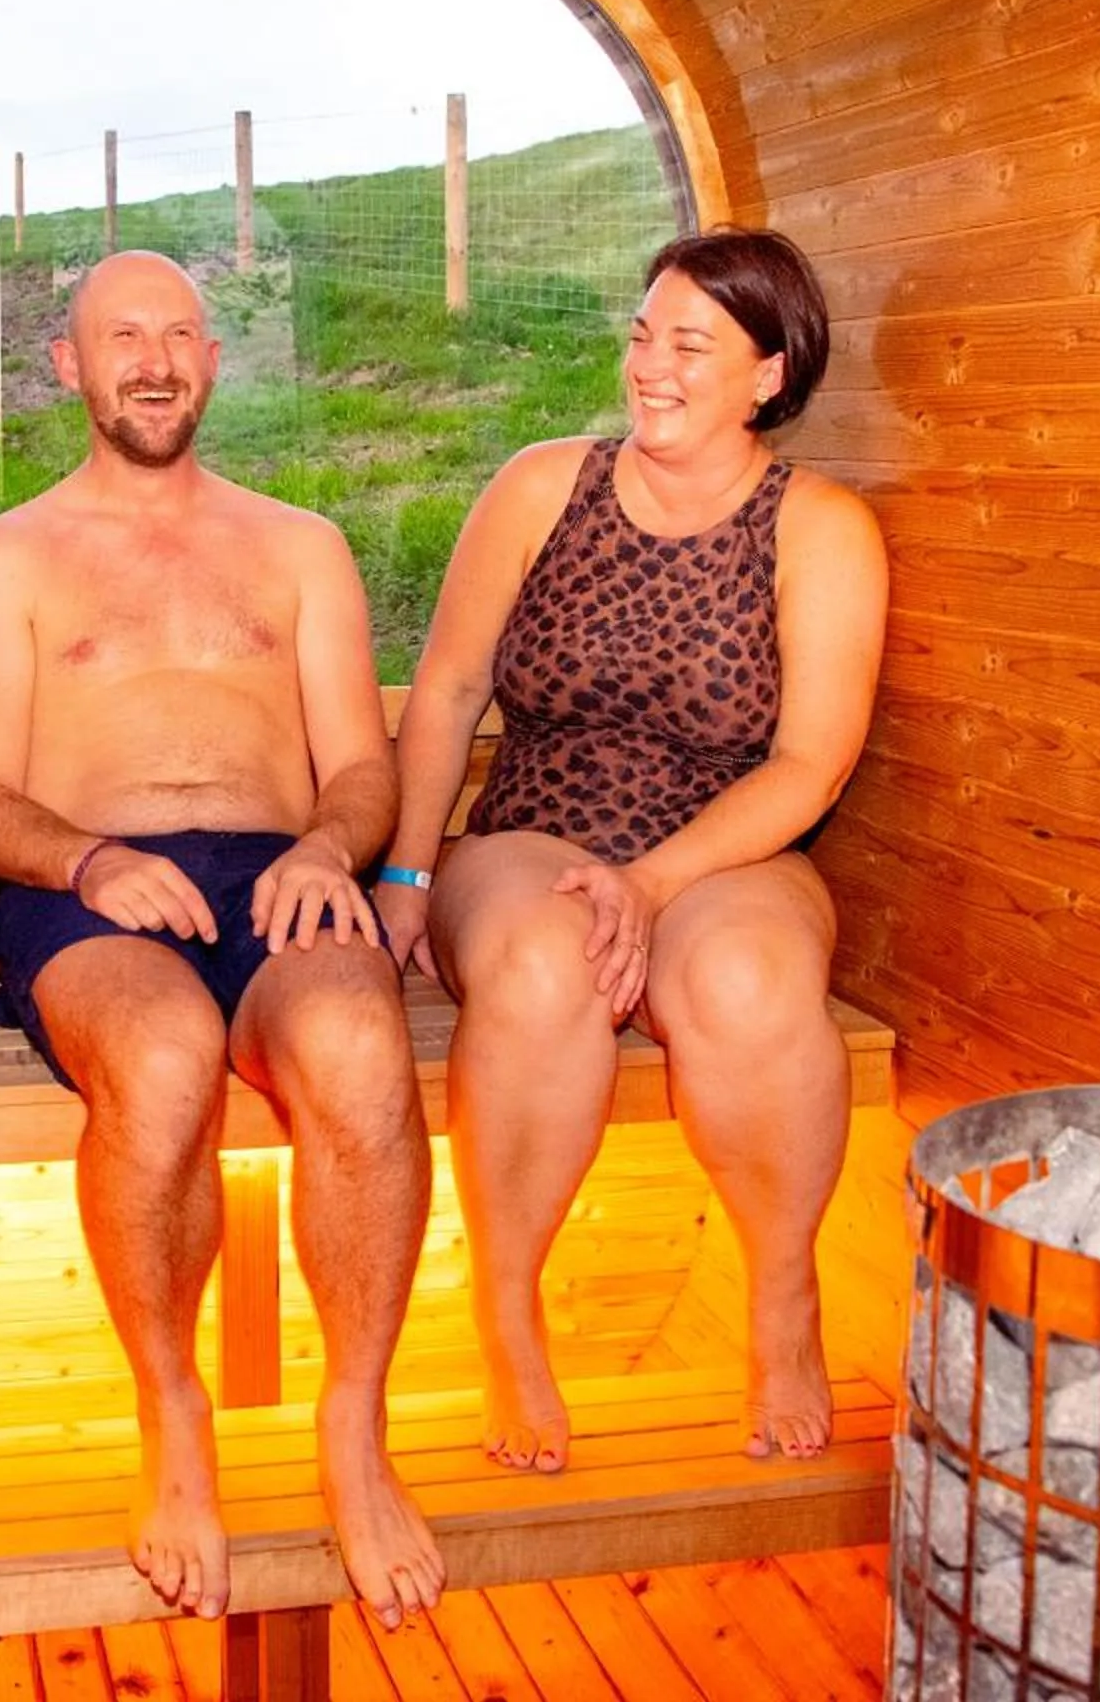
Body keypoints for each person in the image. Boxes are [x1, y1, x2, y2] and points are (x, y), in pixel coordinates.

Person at [0, 250, 444, 1632]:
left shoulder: (298, 545)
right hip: (82, 887)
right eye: (121, 338)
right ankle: (173, 1412)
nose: (151, 361)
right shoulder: (5, 556)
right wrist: (91, 860)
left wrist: (334, 849)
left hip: (282, 872)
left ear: (212, 362)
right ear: (68, 368)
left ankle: (353, 1425)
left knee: (352, 1034)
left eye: (177, 335)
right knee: (161, 1057)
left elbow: (359, 759)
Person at [375, 226, 887, 1474]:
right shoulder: (544, 484)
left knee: (753, 984)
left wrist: (656, 885)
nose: (650, 364)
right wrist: (403, 873)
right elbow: (444, 691)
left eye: (691, 344)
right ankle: (507, 1312)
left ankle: (782, 1300)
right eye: (642, 334)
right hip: (534, 829)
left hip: (724, 845)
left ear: (769, 373)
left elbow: (809, 763)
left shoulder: (818, 528)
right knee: (547, 968)